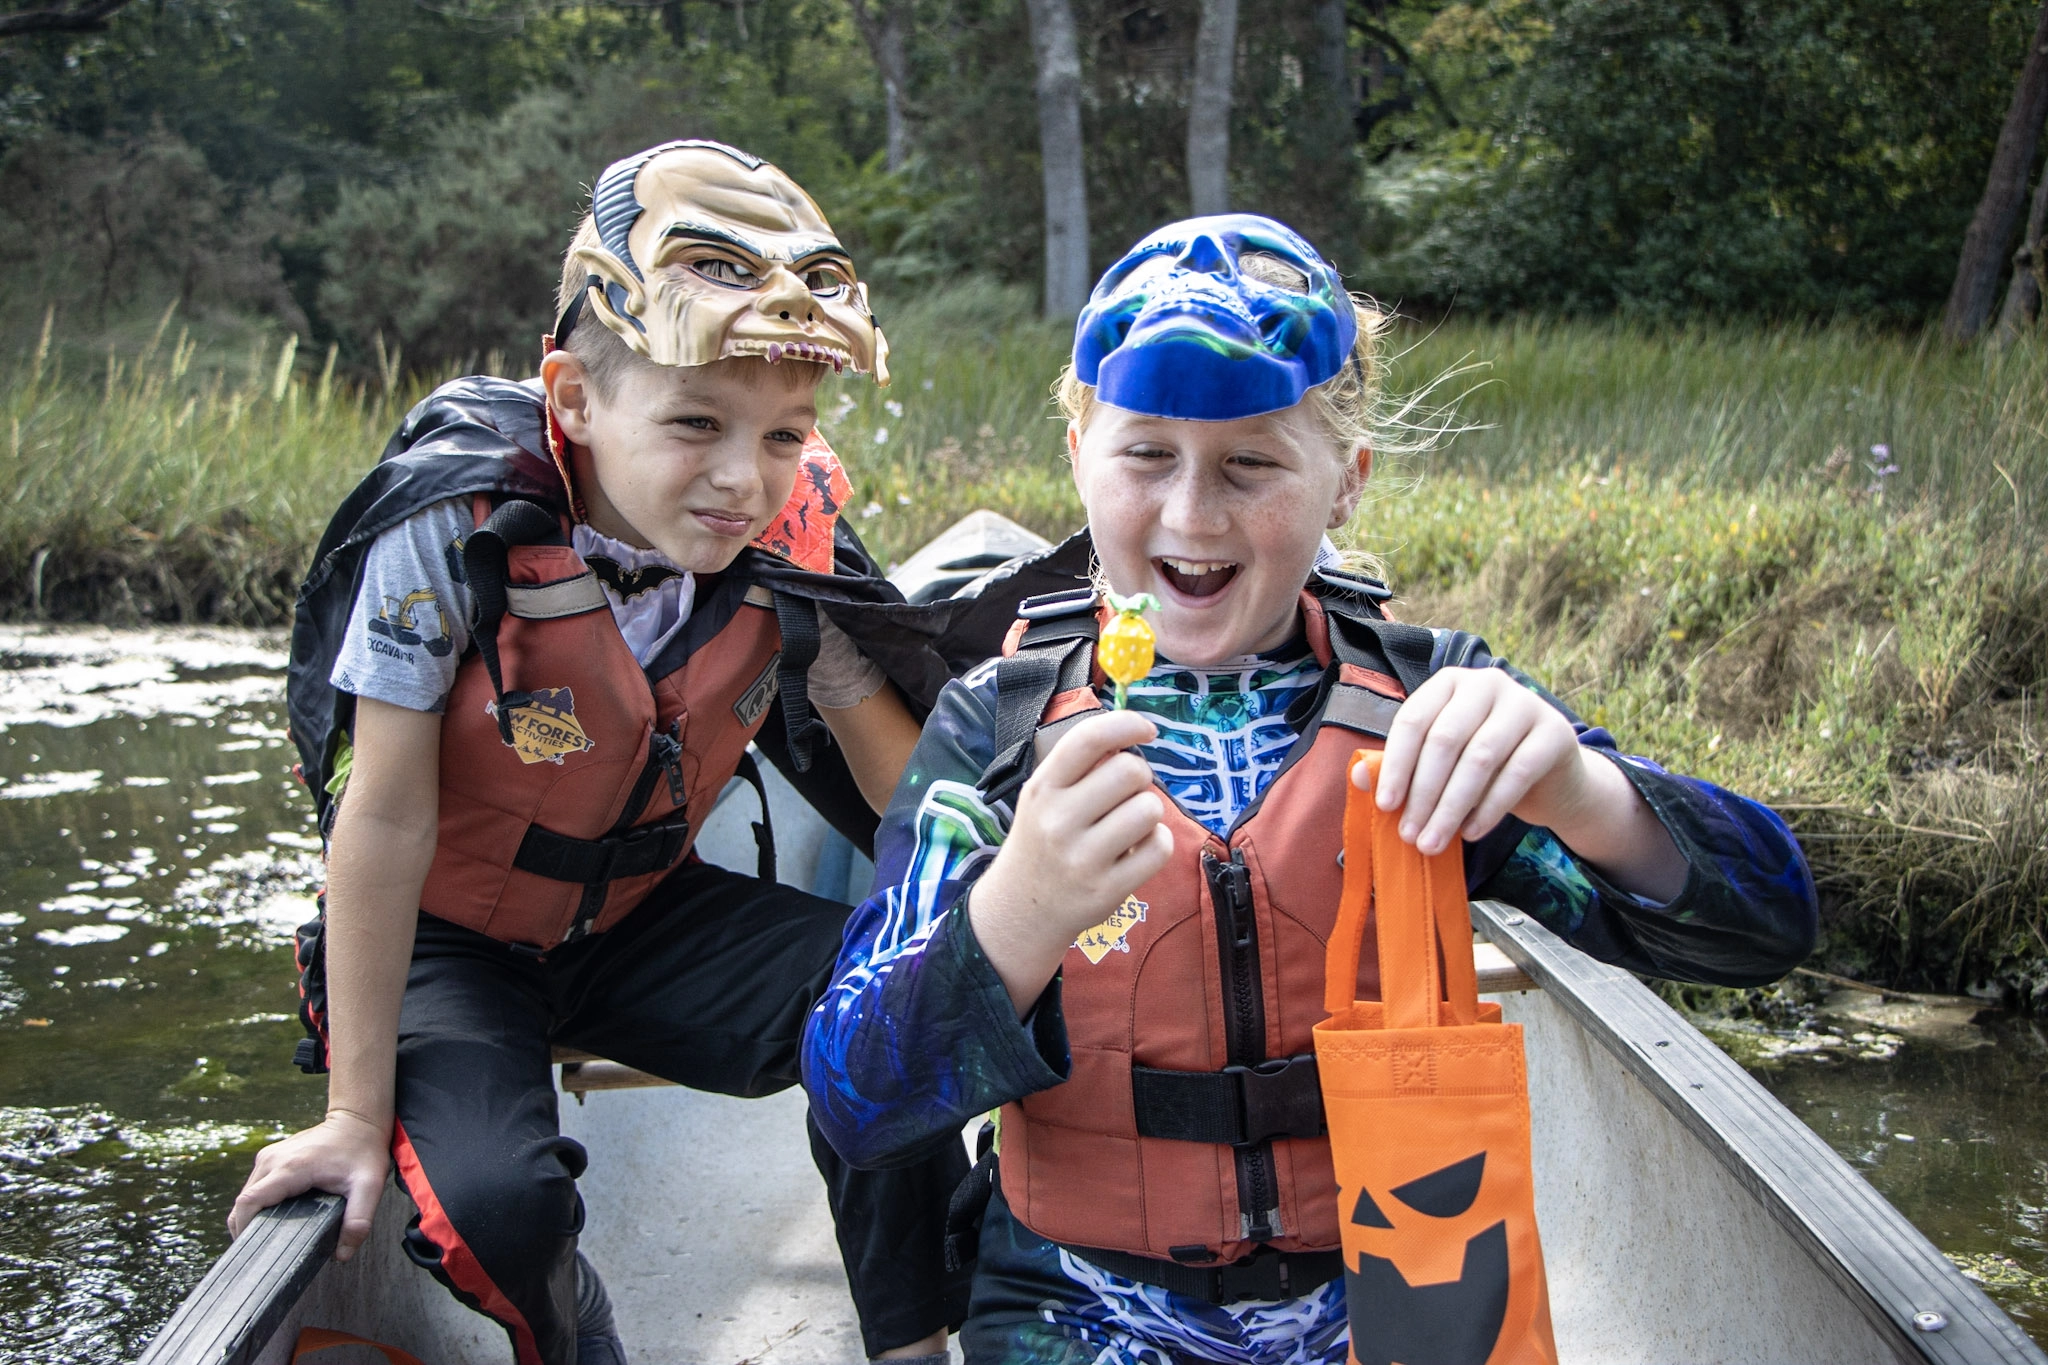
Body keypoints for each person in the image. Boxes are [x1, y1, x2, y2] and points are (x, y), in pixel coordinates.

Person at [800, 214, 1818, 1363]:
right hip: (1073, 1312)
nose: (1190, 516)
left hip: (1395, 1293)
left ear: (1346, 482)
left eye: (1251, 463)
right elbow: (857, 1103)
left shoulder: (1436, 710)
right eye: (1144, 454)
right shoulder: (993, 729)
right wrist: (1018, 913)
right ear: (1079, 451)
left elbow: (1765, 931)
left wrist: (1583, 793)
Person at [230, 140, 966, 1365]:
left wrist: (837, 669)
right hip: (448, 942)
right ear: (573, 399)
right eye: (693, 423)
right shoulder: (453, 525)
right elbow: (382, 820)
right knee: (500, 1216)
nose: (742, 481)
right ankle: (576, 1326)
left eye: (784, 436)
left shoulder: (790, 528)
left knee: (906, 1007)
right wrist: (354, 1115)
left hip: (638, 914)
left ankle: (910, 1347)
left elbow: (915, 805)